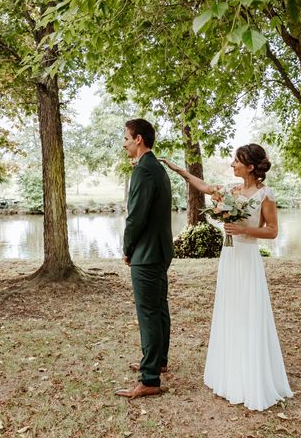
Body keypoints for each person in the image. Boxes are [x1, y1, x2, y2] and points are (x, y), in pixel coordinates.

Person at [161, 143, 293, 411]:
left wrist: (245, 229)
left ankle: (251, 378)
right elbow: (205, 187)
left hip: (247, 259)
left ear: (251, 166)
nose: (232, 164)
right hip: (229, 260)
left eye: (237, 160)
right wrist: (179, 171)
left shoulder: (265, 194)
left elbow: (273, 231)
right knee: (231, 312)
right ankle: (230, 374)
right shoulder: (231, 192)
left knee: (249, 314)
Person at [115, 119, 174, 399]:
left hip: (147, 254)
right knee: (159, 309)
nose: (124, 143)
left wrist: (127, 248)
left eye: (126, 138)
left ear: (139, 139)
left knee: (148, 314)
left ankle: (149, 378)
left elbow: (135, 217)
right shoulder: (156, 168)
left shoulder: (144, 171)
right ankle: (158, 361)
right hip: (160, 251)